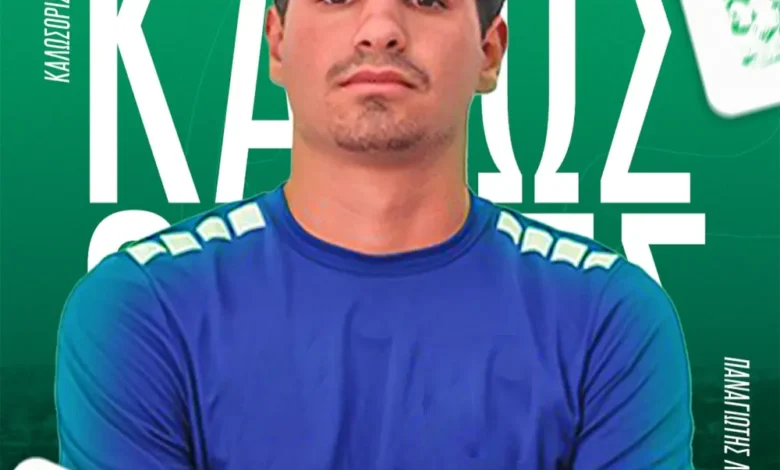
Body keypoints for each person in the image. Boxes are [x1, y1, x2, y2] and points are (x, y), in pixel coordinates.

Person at [55, 0, 695, 468]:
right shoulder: (141, 309)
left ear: (489, 51)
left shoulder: (611, 320)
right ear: (277, 42)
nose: (381, 28)